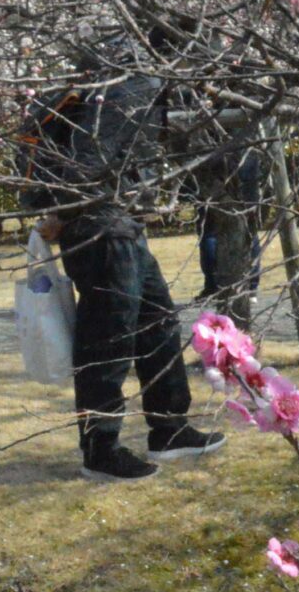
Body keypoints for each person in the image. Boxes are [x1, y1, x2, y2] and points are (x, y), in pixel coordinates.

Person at [18, 68, 224, 481]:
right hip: (100, 227)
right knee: (109, 340)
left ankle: (169, 428)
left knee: (158, 323)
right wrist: (68, 210)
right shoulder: (132, 85)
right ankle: (101, 447)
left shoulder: (136, 79)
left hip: (120, 223)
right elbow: (85, 162)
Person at [194, 135, 266, 330]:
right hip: (244, 144)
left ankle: (213, 283)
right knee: (248, 225)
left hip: (209, 147)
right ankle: (250, 286)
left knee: (209, 228)